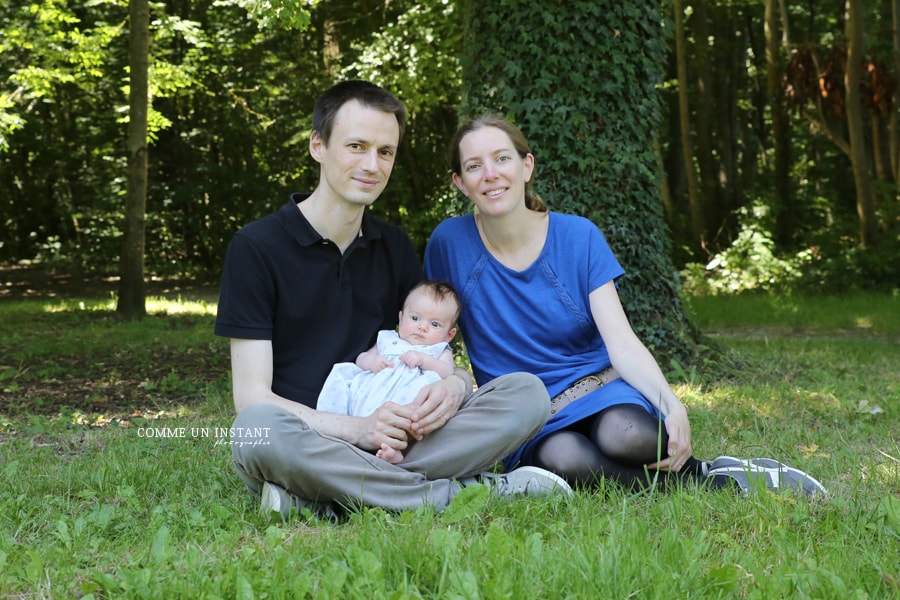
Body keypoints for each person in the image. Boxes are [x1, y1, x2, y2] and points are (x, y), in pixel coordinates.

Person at [214, 82, 572, 521]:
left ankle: (319, 500)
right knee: (256, 429)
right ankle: (461, 495)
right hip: (308, 437)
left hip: (400, 441)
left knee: (527, 393)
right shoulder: (256, 247)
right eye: (357, 146)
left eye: (385, 152)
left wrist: (453, 386)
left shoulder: (395, 246)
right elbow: (251, 397)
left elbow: (429, 346)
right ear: (318, 146)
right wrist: (361, 431)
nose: (371, 164)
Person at [424, 114, 827, 496]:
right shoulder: (449, 243)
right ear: (460, 182)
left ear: (526, 166)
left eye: (502, 159)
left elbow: (620, 341)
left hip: (597, 388)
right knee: (562, 460)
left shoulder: (579, 237)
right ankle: (709, 483)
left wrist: (671, 401)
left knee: (628, 435)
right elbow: (433, 332)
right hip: (527, 414)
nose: (491, 174)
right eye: (474, 166)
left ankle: (704, 466)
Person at [317, 279, 462, 464]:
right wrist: (372, 361)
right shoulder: (387, 339)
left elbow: (447, 372)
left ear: (449, 334)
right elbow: (361, 359)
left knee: (413, 415)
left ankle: (395, 450)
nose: (422, 327)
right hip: (369, 399)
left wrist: (424, 360)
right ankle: (330, 432)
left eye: (435, 324)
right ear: (401, 318)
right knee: (342, 374)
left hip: (405, 405)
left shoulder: (439, 350)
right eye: (415, 318)